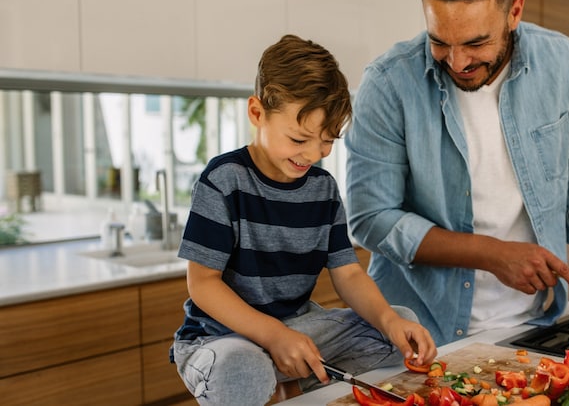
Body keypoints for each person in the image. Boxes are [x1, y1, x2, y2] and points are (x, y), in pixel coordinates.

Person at [344, 0, 569, 346]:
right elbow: (370, 219)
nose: (457, 62)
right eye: (439, 41)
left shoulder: (564, 63)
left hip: (534, 324)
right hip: (418, 333)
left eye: (476, 42)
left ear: (514, 12)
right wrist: (491, 254)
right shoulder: (388, 84)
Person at [170, 34, 436, 405]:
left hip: (295, 328)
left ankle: (285, 389)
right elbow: (202, 284)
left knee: (397, 326)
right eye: (299, 139)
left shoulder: (323, 189)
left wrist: (390, 321)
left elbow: (349, 274)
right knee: (245, 367)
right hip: (221, 338)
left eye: (327, 141)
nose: (313, 154)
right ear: (257, 113)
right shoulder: (224, 180)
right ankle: (275, 385)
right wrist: (273, 335)